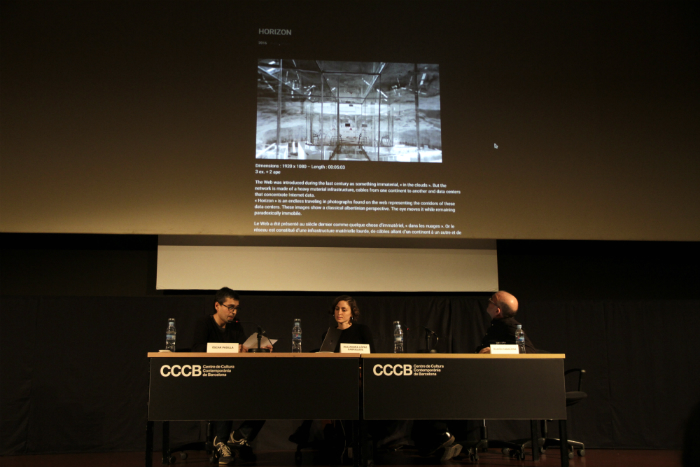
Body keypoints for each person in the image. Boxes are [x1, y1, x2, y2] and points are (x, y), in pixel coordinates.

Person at [191, 287, 268, 465]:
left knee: (265, 395)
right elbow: (197, 349)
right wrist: (231, 348)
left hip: (233, 377)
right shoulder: (204, 323)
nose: (233, 312)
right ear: (217, 305)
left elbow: (243, 349)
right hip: (210, 377)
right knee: (225, 388)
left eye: (236, 308)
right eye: (230, 307)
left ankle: (240, 436)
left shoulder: (236, 326)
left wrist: (259, 348)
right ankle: (220, 442)